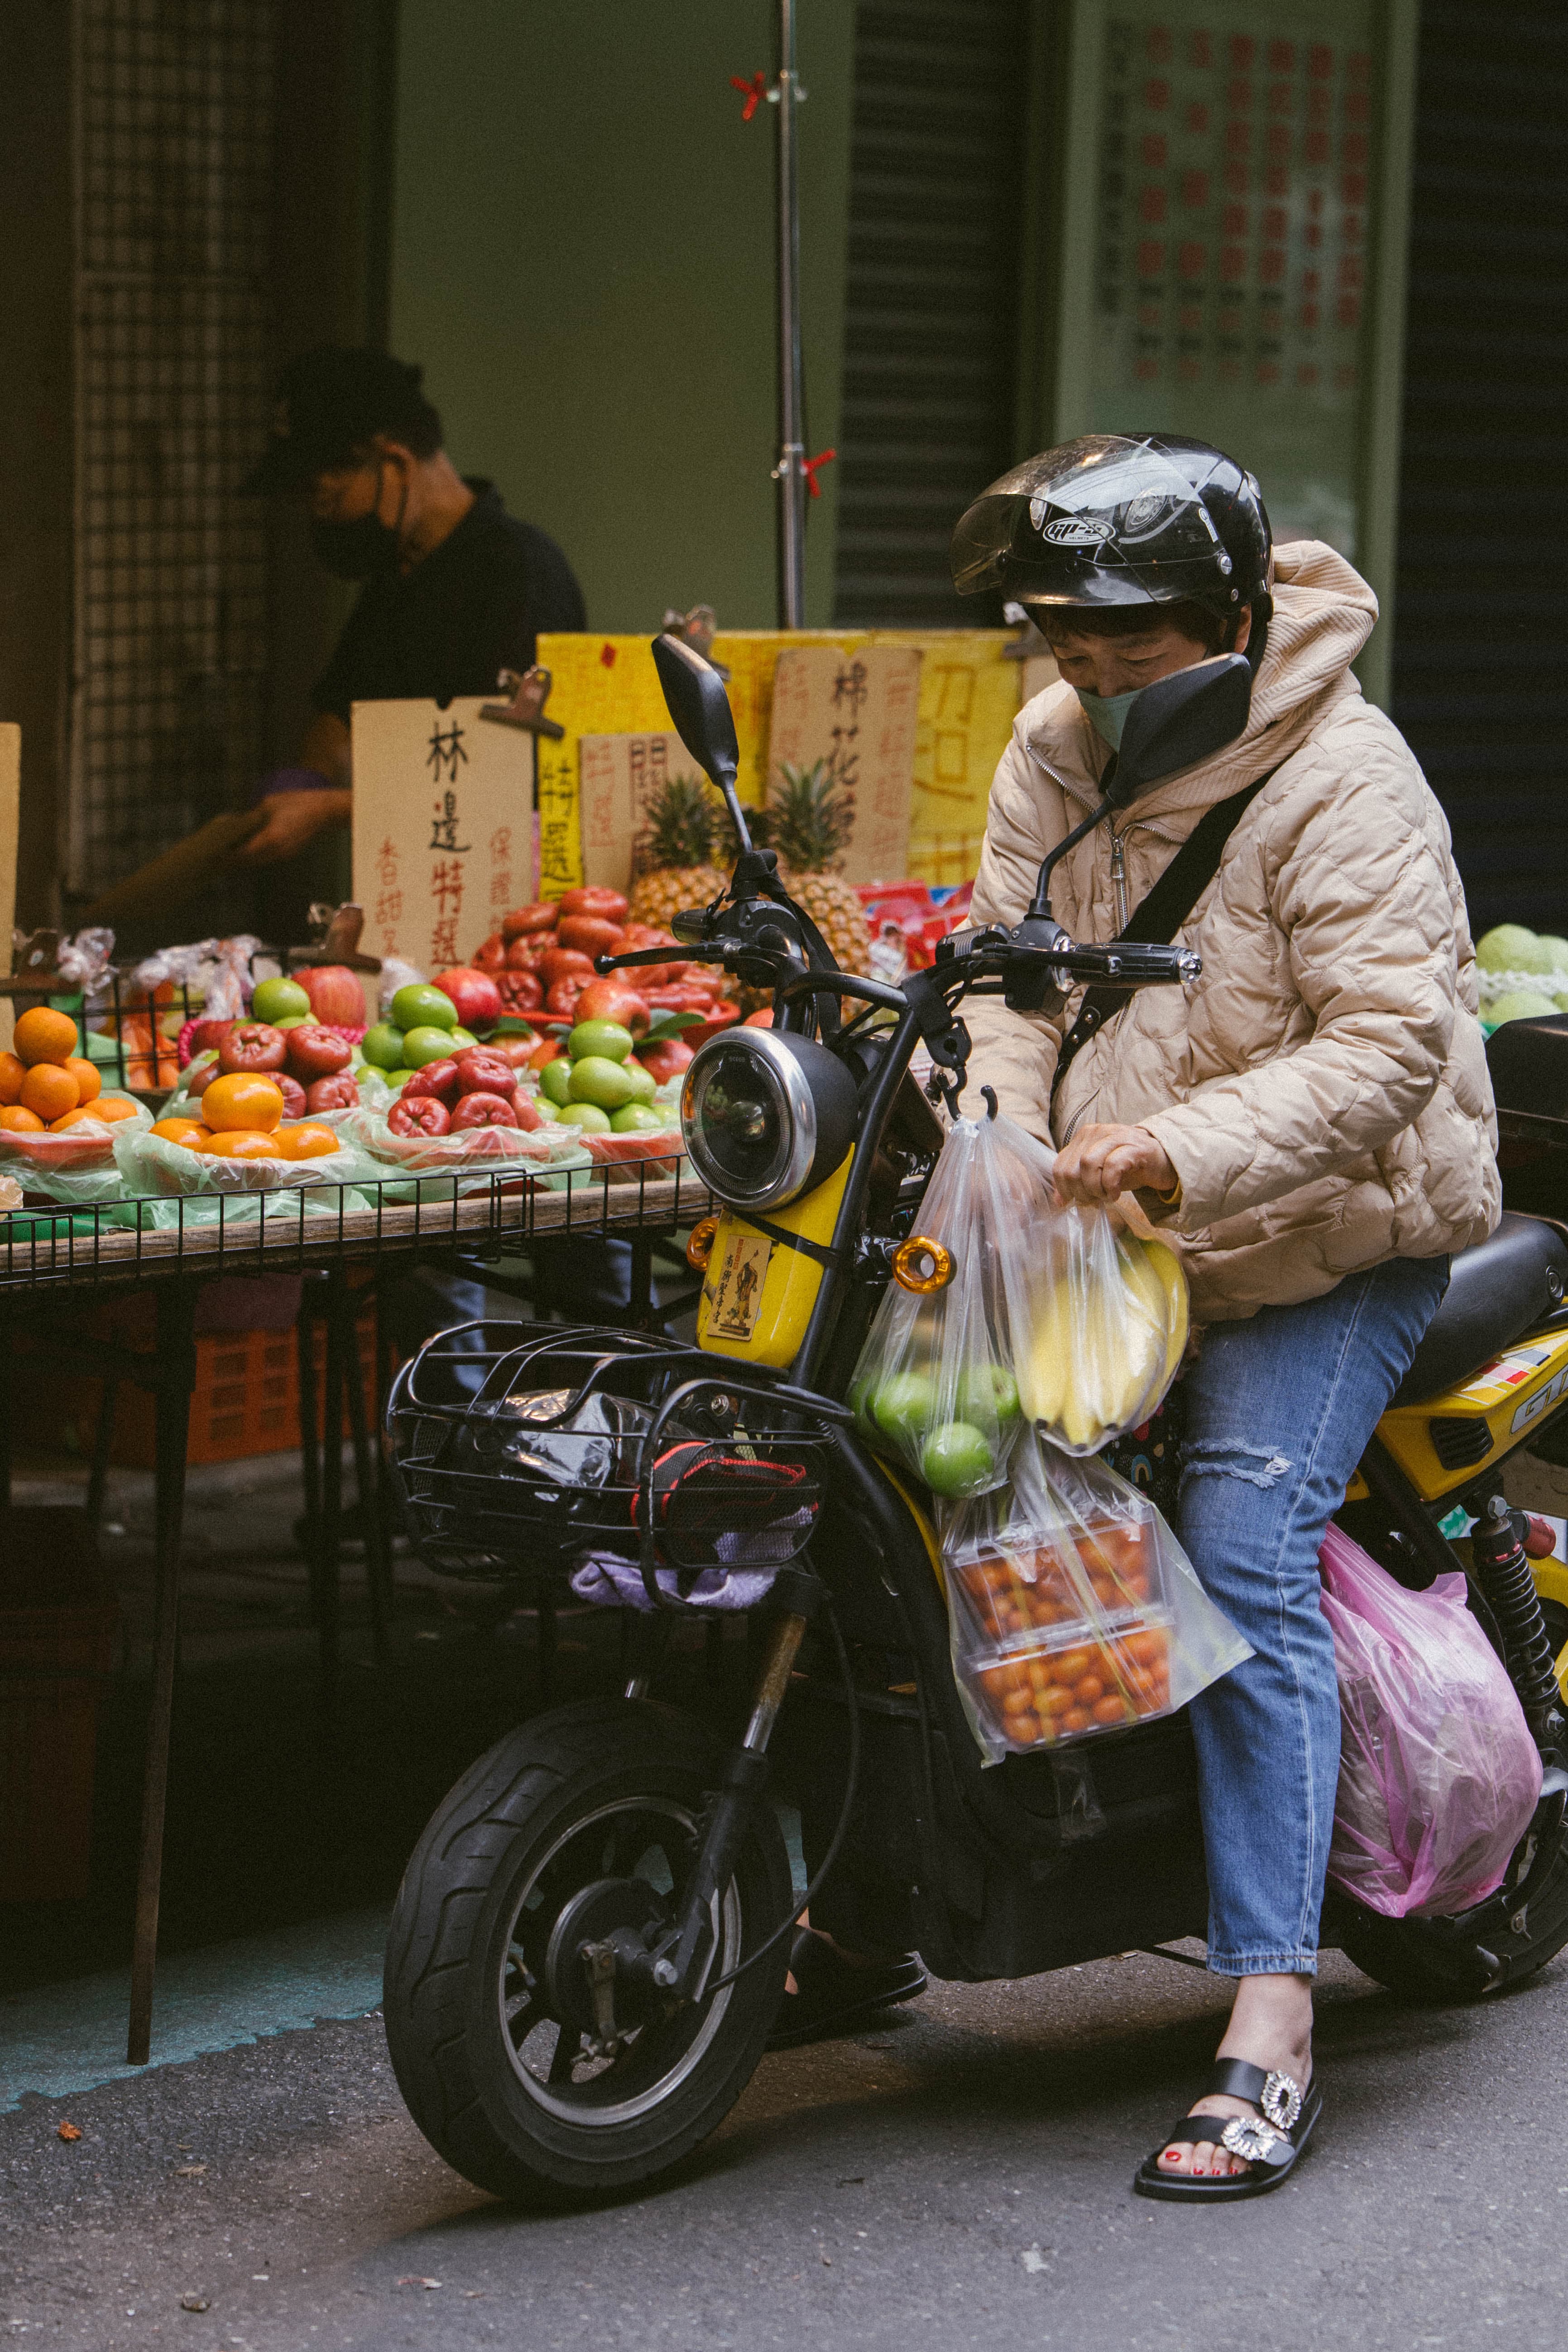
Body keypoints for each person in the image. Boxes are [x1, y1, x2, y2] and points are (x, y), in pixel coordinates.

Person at [923, 431, 1498, 2196]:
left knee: (1237, 1538)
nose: (1091, 674)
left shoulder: (1347, 776)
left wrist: (1166, 1154)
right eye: (1066, 638)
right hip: (1108, 1213)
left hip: (1328, 1232)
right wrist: (1003, 1140)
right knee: (933, 1465)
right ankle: (872, 1901)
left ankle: (1266, 2012)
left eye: (1133, 641)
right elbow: (1004, 973)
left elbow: (1386, 1045)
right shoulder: (1046, 745)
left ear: (1235, 614)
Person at [241, 345, 586, 868]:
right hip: (415, 882)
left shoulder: (518, 576)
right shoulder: (399, 575)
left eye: (329, 501)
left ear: (396, 463)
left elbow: (504, 782)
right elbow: (344, 712)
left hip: (501, 881)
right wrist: (304, 782)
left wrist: (326, 809)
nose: (324, 523)